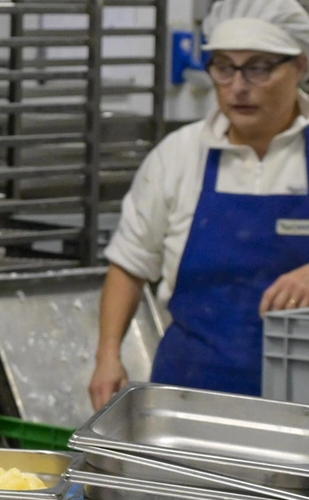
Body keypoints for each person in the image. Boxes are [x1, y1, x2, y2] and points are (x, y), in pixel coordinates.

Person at [89, 0, 309, 409]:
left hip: (300, 404)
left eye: (259, 66)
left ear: (301, 65)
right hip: (189, 395)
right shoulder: (179, 155)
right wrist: (107, 356)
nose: (238, 86)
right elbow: (130, 264)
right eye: (224, 67)